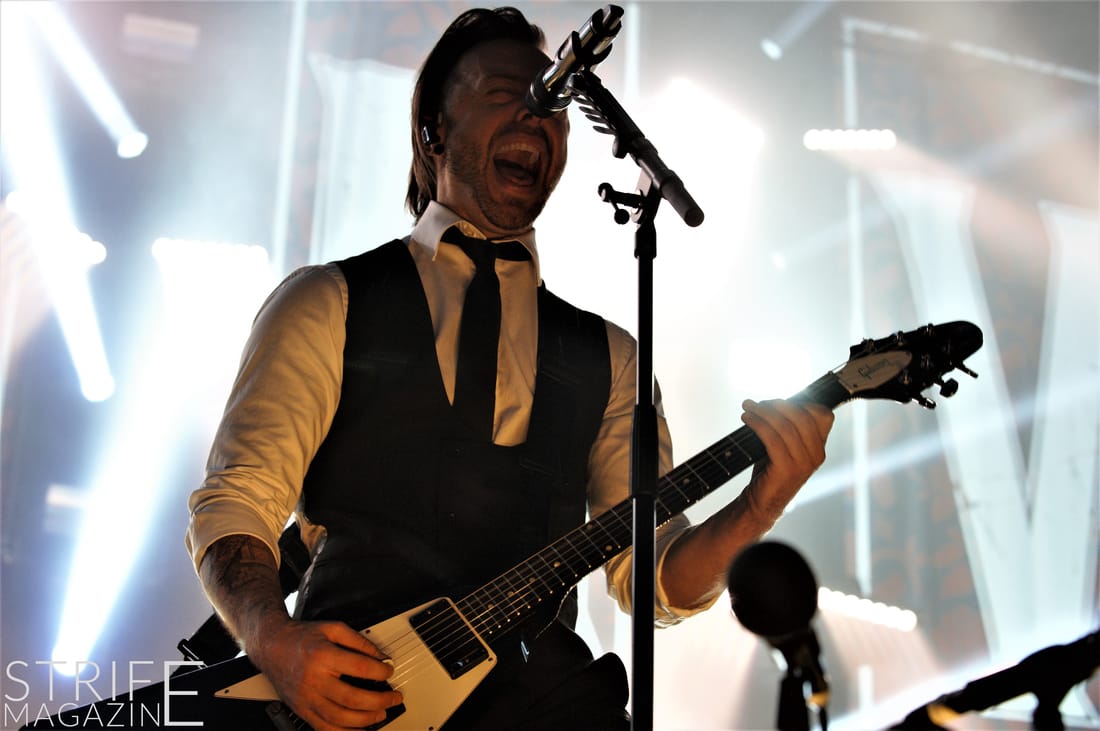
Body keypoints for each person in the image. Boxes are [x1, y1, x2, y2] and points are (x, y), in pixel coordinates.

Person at [185, 7, 834, 731]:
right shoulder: (326, 301)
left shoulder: (612, 357)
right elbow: (235, 504)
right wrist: (273, 641)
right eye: (504, 93)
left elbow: (652, 578)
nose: (536, 114)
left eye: (553, 105)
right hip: (357, 706)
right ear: (433, 130)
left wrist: (758, 507)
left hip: (547, 708)